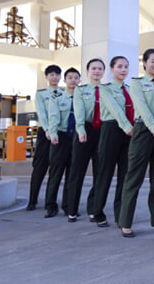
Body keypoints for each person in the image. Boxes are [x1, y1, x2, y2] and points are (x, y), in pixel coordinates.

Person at [118, 48, 154, 238]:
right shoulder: (137, 83)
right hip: (144, 131)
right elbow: (142, 107)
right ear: (145, 63)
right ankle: (125, 221)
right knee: (134, 177)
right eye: (152, 61)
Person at [92, 56, 134, 228]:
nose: (123, 70)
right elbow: (115, 110)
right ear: (112, 69)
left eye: (126, 67)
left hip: (128, 133)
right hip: (111, 130)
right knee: (105, 173)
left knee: (125, 175)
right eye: (119, 66)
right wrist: (127, 127)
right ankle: (97, 212)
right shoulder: (105, 89)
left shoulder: (130, 89)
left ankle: (120, 214)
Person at [66, 58, 105, 222]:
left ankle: (94, 208)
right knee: (77, 171)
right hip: (84, 130)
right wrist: (81, 129)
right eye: (93, 68)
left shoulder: (107, 90)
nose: (97, 71)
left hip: (102, 131)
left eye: (100, 69)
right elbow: (79, 111)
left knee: (99, 172)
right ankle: (72, 209)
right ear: (88, 72)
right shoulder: (80, 90)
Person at [44, 67, 80, 218]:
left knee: (72, 175)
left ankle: (69, 206)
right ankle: (50, 206)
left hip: (77, 138)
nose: (73, 80)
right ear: (64, 80)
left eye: (76, 78)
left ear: (79, 80)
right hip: (61, 137)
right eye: (70, 77)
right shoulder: (57, 97)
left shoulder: (82, 98)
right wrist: (52, 134)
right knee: (55, 173)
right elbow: (53, 117)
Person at [27, 64, 62, 211]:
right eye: (51, 74)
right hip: (45, 132)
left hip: (59, 133)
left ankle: (50, 202)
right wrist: (48, 129)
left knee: (56, 168)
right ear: (46, 77)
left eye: (57, 74)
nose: (54, 77)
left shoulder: (64, 93)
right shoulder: (41, 94)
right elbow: (41, 113)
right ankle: (32, 200)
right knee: (40, 167)